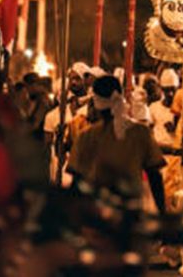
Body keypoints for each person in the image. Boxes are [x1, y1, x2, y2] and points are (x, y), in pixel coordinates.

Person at [68, 75, 166, 211]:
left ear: (96, 103)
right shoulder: (141, 133)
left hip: (96, 214)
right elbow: (155, 175)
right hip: (131, 212)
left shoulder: (86, 136)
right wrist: (162, 211)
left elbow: (77, 180)